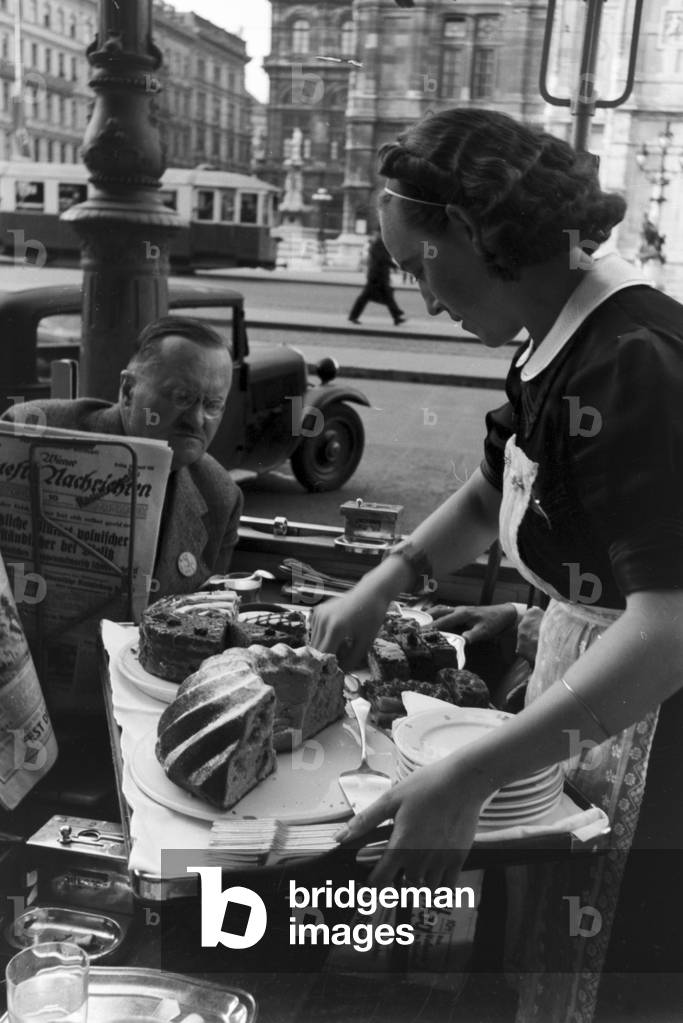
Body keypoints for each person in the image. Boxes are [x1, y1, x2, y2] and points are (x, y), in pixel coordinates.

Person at [311, 108, 683, 1021]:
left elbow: (669, 622)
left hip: (654, 723)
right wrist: (386, 579)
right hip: (594, 691)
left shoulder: (631, 365)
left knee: (618, 969)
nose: (423, 295)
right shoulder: (559, 335)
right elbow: (493, 489)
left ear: (474, 231)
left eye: (419, 265)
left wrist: (471, 778)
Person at [2, 315, 243, 598]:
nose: (197, 419)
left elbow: (206, 618)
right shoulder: (31, 430)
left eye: (213, 404)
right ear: (129, 391)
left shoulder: (220, 495)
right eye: (181, 396)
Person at [348, 231, 406, 325]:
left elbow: (383, 258)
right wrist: (395, 267)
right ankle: (396, 314)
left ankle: (397, 316)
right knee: (370, 297)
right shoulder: (380, 243)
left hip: (379, 275)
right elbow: (382, 258)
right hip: (376, 276)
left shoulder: (380, 243)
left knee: (386, 296)